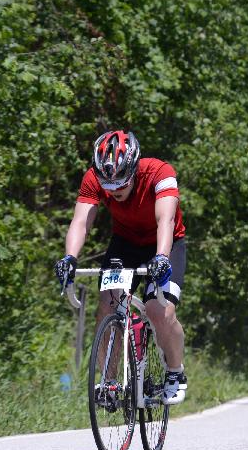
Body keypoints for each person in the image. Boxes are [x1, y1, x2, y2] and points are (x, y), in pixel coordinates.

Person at [55, 130, 187, 405]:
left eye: (120, 185)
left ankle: (175, 372)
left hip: (165, 244)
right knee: (108, 302)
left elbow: (166, 220)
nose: (114, 191)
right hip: (125, 243)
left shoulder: (160, 173)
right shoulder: (93, 177)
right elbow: (81, 222)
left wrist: (161, 257)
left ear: (134, 168)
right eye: (108, 186)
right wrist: (69, 258)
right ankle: (110, 381)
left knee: (157, 310)